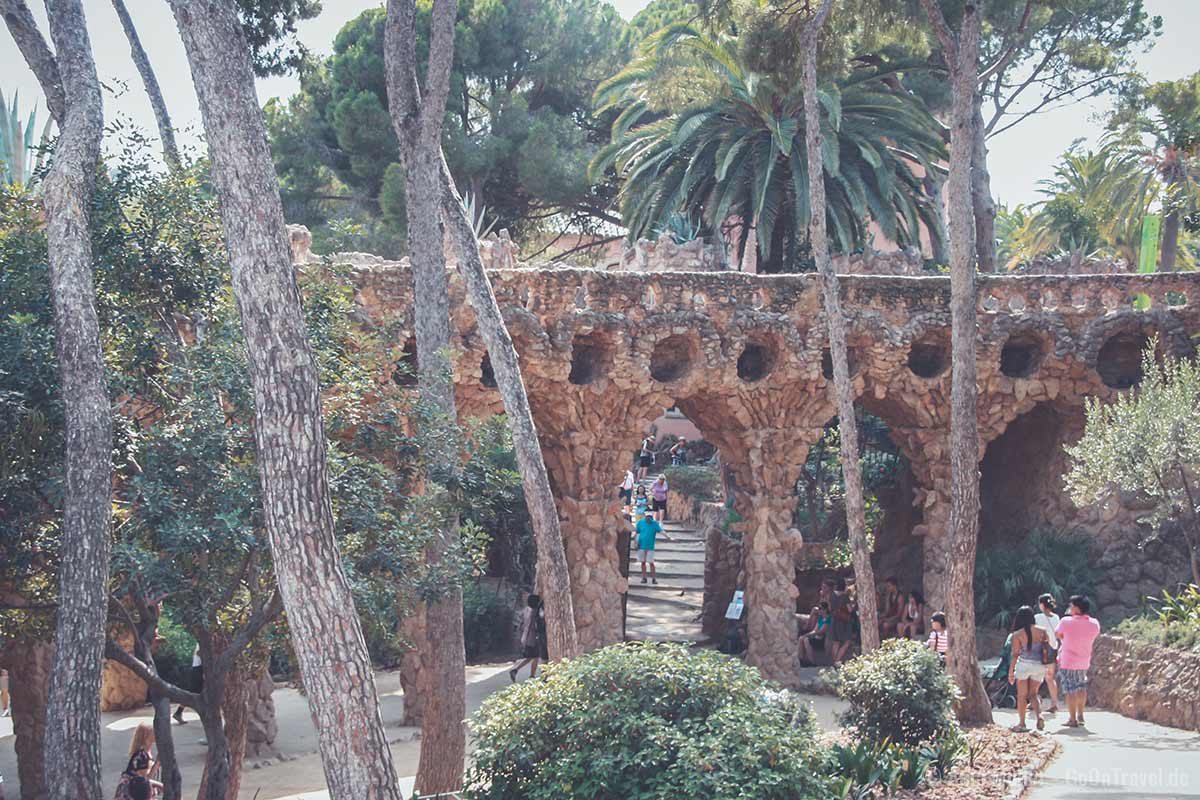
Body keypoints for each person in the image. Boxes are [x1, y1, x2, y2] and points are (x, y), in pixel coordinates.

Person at [1055, 594, 1101, 728]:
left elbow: (1058, 634)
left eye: (1071, 605)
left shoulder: (1065, 621)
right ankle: (1081, 715)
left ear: (1076, 608)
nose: (1069, 608)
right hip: (1084, 660)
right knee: (1081, 687)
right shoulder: (1094, 624)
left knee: (1070, 689)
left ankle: (1072, 718)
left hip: (1068, 661)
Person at [1007, 605, 1051, 732]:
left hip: (1023, 666)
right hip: (1039, 666)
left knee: (1021, 696)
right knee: (1033, 694)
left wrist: (1011, 672)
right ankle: (1039, 716)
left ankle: (1022, 724)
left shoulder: (1017, 634)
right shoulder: (1042, 630)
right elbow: (1046, 650)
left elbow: (1015, 654)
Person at [114, 723, 163, 799]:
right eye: (153, 732)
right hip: (133, 793)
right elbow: (144, 781)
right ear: (146, 736)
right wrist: (156, 764)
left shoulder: (146, 752)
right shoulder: (141, 756)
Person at [508, 594, 546, 682]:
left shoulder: (527, 610)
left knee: (533, 657)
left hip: (526, 637)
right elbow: (536, 625)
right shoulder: (534, 613)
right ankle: (520, 671)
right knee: (534, 656)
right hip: (532, 638)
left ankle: (523, 673)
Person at [1036, 593, 1062, 714]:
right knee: (1050, 678)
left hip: (1040, 650)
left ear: (1041, 604)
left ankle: (1035, 701)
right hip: (1053, 649)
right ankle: (1054, 703)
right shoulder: (1057, 618)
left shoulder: (1037, 618)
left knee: (1036, 676)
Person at [635, 510, 672, 585]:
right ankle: (644, 577)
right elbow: (637, 532)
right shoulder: (640, 523)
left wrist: (668, 537)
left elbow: (661, 531)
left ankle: (653, 578)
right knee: (643, 562)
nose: (648, 518)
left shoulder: (654, 524)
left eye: (650, 517)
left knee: (651, 562)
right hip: (641, 545)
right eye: (647, 516)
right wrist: (635, 542)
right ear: (645, 516)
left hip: (650, 546)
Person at [173, 644, 203, 725]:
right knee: (193, 693)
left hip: (200, 669)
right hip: (199, 669)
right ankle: (178, 713)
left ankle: (178, 713)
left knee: (196, 693)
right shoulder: (203, 640)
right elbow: (199, 652)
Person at [828, 578, 855, 663]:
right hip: (843, 622)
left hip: (833, 620)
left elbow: (829, 608)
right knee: (847, 641)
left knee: (835, 642)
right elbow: (850, 610)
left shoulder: (831, 595)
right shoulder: (845, 597)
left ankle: (834, 662)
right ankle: (837, 660)